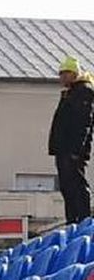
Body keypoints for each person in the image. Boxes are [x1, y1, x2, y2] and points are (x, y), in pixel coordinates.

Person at [49, 55, 94, 225]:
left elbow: (83, 123)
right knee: (66, 185)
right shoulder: (70, 93)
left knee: (76, 183)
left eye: (64, 74)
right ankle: (72, 219)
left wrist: (76, 150)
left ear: (73, 74)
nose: (61, 78)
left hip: (72, 150)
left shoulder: (83, 92)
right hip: (63, 148)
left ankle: (82, 218)